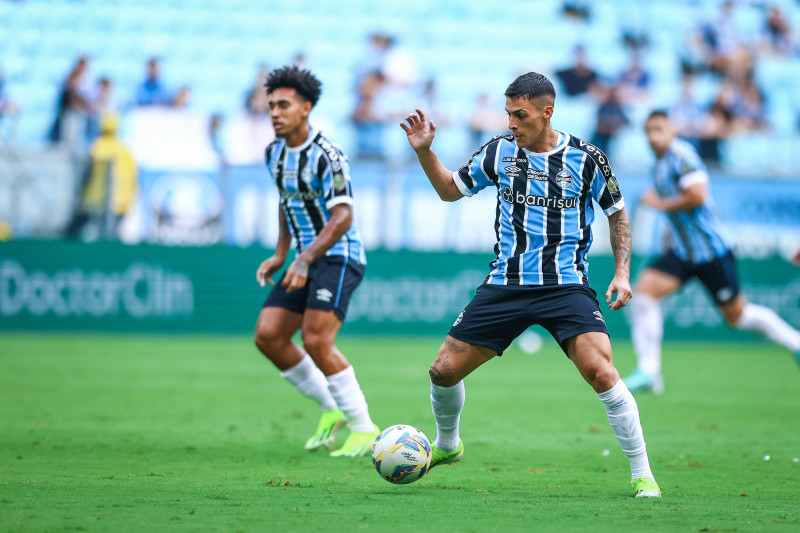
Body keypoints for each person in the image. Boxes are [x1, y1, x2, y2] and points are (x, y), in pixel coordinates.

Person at [400, 72, 661, 498]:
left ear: (547, 112)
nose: (511, 124)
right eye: (508, 114)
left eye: (519, 115)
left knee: (602, 372)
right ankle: (448, 445)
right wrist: (425, 152)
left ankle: (642, 473)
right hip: (507, 283)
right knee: (442, 371)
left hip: (566, 288)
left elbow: (617, 212)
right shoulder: (500, 152)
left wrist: (622, 272)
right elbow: (451, 190)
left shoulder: (586, 157)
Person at [623, 111, 800, 394]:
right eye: (648, 130)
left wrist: (659, 203)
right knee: (644, 294)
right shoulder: (658, 165)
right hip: (682, 252)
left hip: (711, 252)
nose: (653, 135)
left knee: (737, 317)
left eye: (659, 128)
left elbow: (697, 195)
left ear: (673, 130)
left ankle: (796, 343)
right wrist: (671, 227)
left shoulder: (683, 157)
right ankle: (649, 371)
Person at [254, 66, 378, 457]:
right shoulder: (274, 153)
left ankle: (364, 428)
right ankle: (332, 409)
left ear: (305, 108)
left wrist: (304, 259)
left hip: (338, 257)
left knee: (316, 340)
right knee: (269, 335)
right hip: (303, 258)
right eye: (271, 104)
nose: (275, 112)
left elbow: (343, 217)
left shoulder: (329, 155)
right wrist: (280, 252)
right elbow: (287, 200)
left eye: (284, 105)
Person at [64, 114, 138, 240]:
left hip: (97, 201)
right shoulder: (125, 150)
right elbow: (133, 179)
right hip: (121, 204)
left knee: (74, 233)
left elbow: (87, 175)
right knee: (110, 237)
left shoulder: (97, 147)